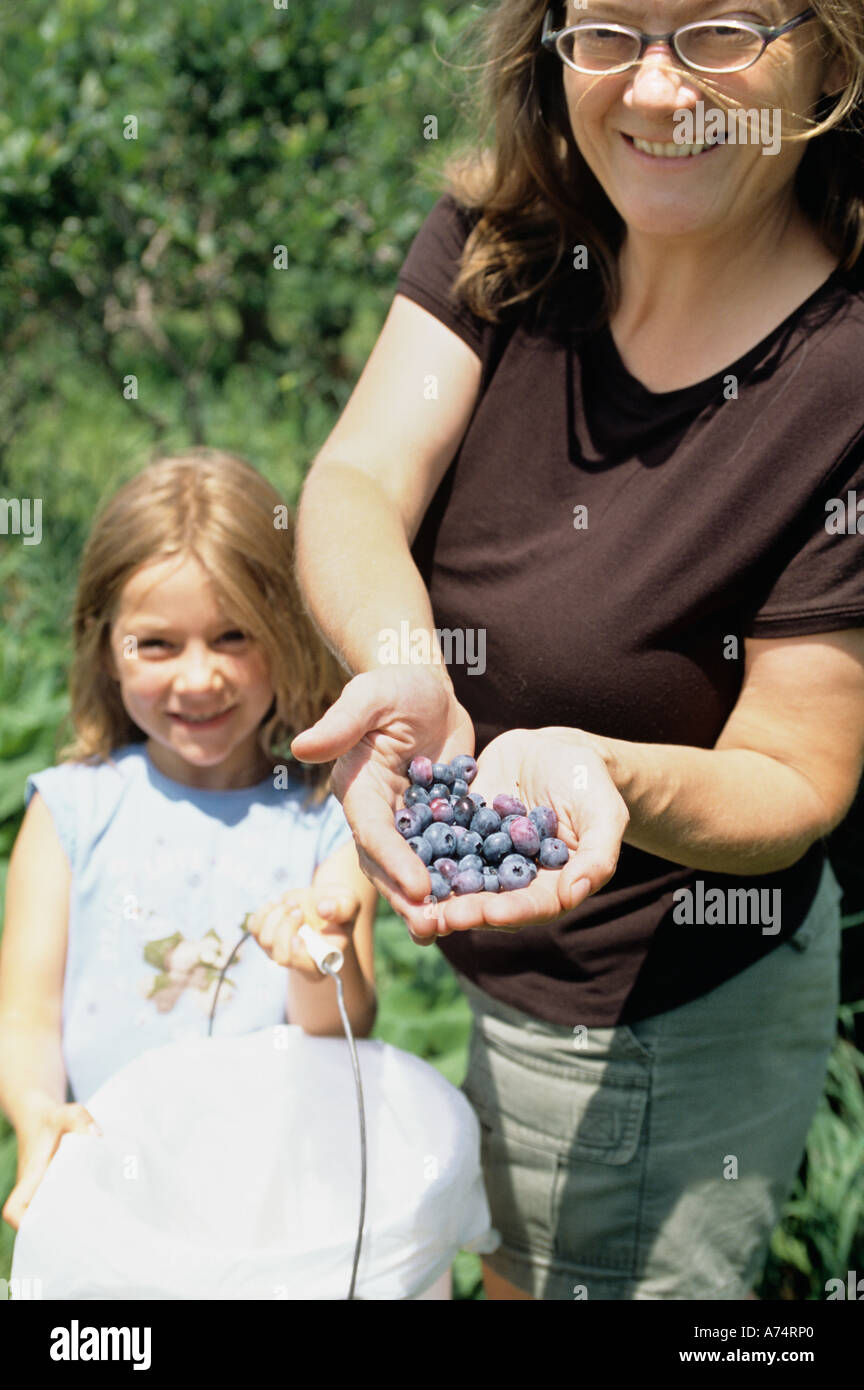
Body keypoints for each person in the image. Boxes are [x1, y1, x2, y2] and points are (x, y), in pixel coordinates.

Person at [288, 1, 864, 1299]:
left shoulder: (845, 378)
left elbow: (796, 772)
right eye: (608, 29)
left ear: (832, 50)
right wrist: (405, 663)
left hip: (651, 1026)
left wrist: (612, 773)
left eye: (719, 30)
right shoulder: (513, 233)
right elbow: (360, 477)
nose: (656, 92)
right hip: (507, 966)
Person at [0, 449, 377, 1234]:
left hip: (275, 1207)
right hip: (109, 1199)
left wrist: (320, 959)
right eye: (158, 644)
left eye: (234, 636)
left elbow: (345, 1025)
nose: (198, 678)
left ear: (287, 633)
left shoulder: (326, 815)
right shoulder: (71, 810)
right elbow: (28, 1018)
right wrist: (38, 1111)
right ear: (105, 643)